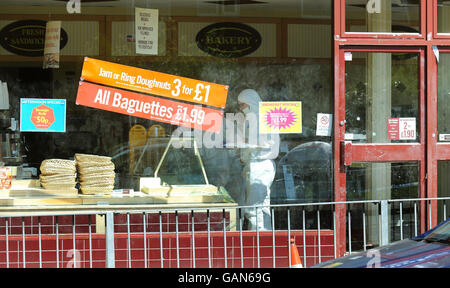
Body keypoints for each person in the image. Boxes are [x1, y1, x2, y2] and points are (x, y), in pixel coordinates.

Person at [237, 89, 280, 231]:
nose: (240, 109)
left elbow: (267, 143)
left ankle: (258, 242)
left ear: (250, 103)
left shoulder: (262, 120)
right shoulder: (256, 119)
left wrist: (244, 143)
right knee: (262, 206)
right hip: (259, 165)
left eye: (242, 105)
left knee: (253, 208)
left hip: (260, 165)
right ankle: (266, 238)